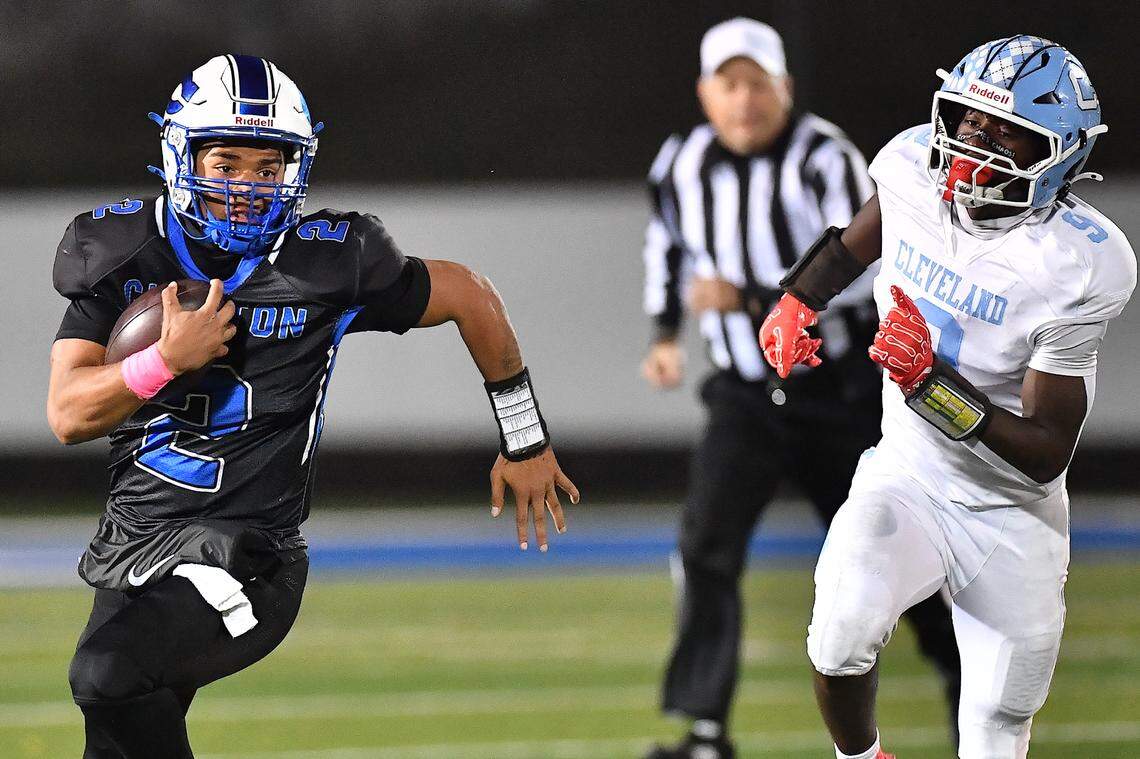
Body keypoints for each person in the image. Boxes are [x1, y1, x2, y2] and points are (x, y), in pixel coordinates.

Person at [47, 54, 579, 759]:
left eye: (269, 169)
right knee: (114, 734)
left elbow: (469, 295)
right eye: (226, 162)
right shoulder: (121, 253)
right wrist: (164, 361)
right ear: (180, 156)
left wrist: (525, 438)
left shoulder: (326, 259)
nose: (247, 188)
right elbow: (68, 413)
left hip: (248, 552)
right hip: (136, 541)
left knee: (105, 672)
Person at [760, 35, 1135, 759]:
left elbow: (1044, 452)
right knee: (838, 634)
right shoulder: (908, 167)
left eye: (1006, 133)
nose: (975, 144)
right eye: (969, 119)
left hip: (1011, 514)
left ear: (1058, 156)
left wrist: (932, 386)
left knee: (996, 727)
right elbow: (855, 241)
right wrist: (795, 301)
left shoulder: (1079, 265)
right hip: (908, 473)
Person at [640, 18, 960, 759]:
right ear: (705, 93)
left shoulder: (825, 156)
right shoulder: (679, 164)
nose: (744, 99)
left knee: (898, 552)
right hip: (744, 394)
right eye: (729, 84)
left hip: (836, 393)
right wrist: (662, 335)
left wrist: (755, 298)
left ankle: (965, 684)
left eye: (758, 83)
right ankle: (705, 732)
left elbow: (875, 269)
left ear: (784, 87)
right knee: (703, 549)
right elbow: (666, 247)